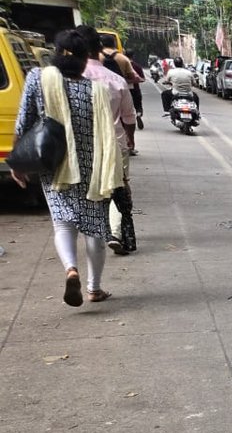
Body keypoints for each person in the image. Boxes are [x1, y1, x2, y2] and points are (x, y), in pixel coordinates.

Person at [12, 29, 124, 306]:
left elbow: (24, 120)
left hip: (55, 164)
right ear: (86, 58)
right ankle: (94, 288)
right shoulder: (94, 89)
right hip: (93, 168)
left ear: (57, 53)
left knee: (63, 224)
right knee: (95, 229)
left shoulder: (39, 78)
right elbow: (106, 133)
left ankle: (70, 269)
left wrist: (18, 160)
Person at [80, 25, 138, 254]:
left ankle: (94, 230)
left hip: (84, 145)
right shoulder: (115, 78)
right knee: (118, 185)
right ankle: (114, 230)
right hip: (116, 141)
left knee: (92, 190)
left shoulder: (71, 80)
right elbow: (129, 116)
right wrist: (131, 139)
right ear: (99, 50)